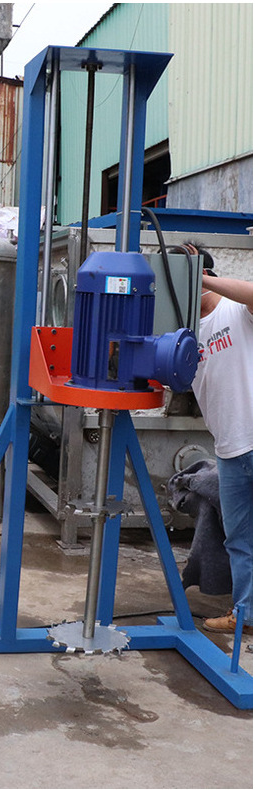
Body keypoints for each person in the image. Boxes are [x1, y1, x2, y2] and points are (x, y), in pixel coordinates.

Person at [188, 255, 253, 635]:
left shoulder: (237, 309)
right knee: (240, 540)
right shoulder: (184, 331)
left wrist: (204, 280)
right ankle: (245, 614)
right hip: (228, 449)